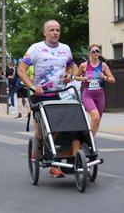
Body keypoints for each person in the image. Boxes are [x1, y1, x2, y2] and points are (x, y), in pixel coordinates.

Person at [18, 19, 78, 178]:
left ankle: (54, 163)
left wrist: (70, 75)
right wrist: (32, 86)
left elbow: (72, 66)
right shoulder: (36, 49)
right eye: (52, 30)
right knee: (41, 131)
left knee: (60, 127)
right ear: (45, 32)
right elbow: (21, 70)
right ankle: (37, 150)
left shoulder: (65, 49)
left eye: (57, 30)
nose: (55, 33)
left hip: (60, 94)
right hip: (40, 95)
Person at [76, 44, 115, 136]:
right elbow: (76, 77)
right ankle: (89, 139)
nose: (95, 53)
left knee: (97, 120)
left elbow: (112, 80)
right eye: (93, 51)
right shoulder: (84, 65)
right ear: (89, 53)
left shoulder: (103, 65)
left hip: (100, 95)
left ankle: (91, 140)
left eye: (97, 51)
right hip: (88, 95)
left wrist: (104, 77)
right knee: (95, 116)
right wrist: (83, 78)